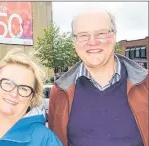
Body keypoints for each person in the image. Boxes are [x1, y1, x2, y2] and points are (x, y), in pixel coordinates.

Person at [48, 9, 148, 146]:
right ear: (74, 41)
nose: (93, 42)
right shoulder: (59, 92)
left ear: (114, 35)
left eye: (101, 33)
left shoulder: (145, 85)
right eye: (83, 35)